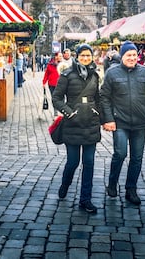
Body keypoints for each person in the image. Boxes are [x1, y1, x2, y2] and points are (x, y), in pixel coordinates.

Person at [99, 41, 145, 205]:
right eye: (128, 55)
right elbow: (104, 97)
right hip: (120, 122)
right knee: (121, 153)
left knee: (137, 157)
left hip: (140, 122)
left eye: (133, 55)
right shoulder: (112, 73)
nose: (131, 58)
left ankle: (131, 189)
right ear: (122, 56)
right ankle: (112, 183)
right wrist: (109, 119)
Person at [52, 43, 102, 213]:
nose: (86, 58)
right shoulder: (67, 75)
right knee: (73, 162)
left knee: (89, 163)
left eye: (88, 56)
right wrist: (69, 113)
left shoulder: (95, 75)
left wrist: (100, 114)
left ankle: (85, 199)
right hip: (72, 125)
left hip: (91, 125)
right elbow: (56, 98)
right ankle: (65, 184)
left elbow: (99, 98)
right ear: (77, 56)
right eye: (83, 56)